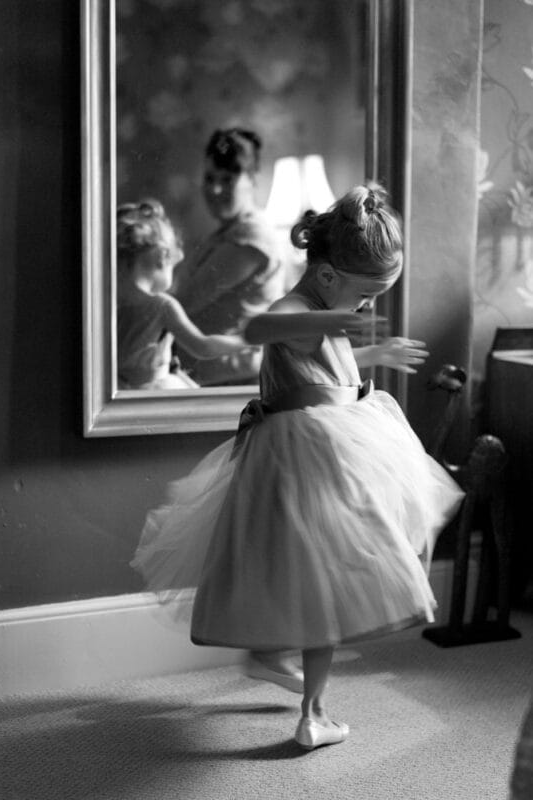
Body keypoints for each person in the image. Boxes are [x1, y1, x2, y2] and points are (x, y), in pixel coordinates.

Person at [131, 183, 465, 750]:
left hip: (335, 446)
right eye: (364, 296)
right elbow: (264, 329)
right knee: (316, 580)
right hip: (301, 456)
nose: (365, 308)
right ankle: (301, 697)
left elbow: (323, 362)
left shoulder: (324, 314)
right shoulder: (295, 310)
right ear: (329, 276)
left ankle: (297, 690)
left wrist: (371, 354)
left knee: (316, 579)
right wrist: (331, 326)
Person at [170, 128, 284, 386]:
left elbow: (187, 300)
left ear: (253, 180)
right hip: (210, 375)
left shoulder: (251, 238)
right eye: (209, 178)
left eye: (228, 180)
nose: (216, 189)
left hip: (234, 381)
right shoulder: (227, 233)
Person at [116, 199, 249, 390]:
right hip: (155, 392)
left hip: (120, 391)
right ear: (163, 258)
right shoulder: (162, 306)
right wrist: (244, 340)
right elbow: (203, 347)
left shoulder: (109, 304)